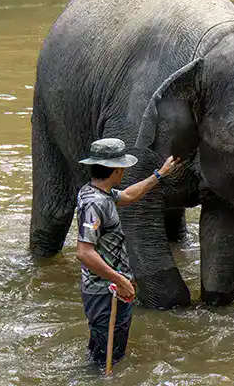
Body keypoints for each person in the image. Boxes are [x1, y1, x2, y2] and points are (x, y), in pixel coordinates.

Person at [75, 137, 179, 369]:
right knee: (109, 360)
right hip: (105, 292)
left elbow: (129, 196)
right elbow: (83, 252)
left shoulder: (98, 193)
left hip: (107, 288)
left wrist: (159, 174)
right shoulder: (94, 204)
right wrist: (120, 280)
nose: (123, 171)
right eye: (121, 167)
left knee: (100, 351)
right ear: (114, 170)